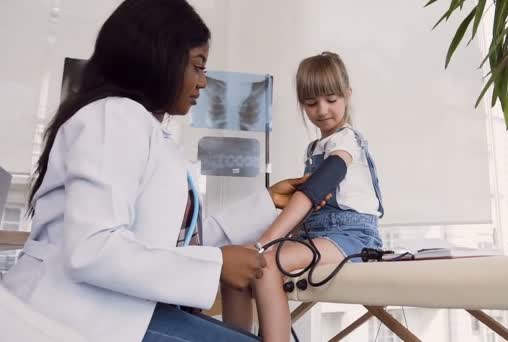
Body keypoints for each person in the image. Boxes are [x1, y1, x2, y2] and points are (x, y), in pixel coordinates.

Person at [1, 1, 326, 341]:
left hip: (120, 309)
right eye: (197, 66)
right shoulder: (113, 118)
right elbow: (92, 249)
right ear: (159, 59)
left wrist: (267, 202)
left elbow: (177, 241)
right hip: (77, 314)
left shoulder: (144, 131)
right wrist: (216, 264)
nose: (203, 82)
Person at [221, 51, 385, 341]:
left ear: (347, 95)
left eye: (331, 100)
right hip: (317, 234)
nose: (321, 110)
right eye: (311, 103)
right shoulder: (314, 148)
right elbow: (309, 211)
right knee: (238, 262)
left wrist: (263, 244)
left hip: (353, 236)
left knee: (265, 262)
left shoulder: (346, 141)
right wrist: (255, 246)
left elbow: (315, 191)